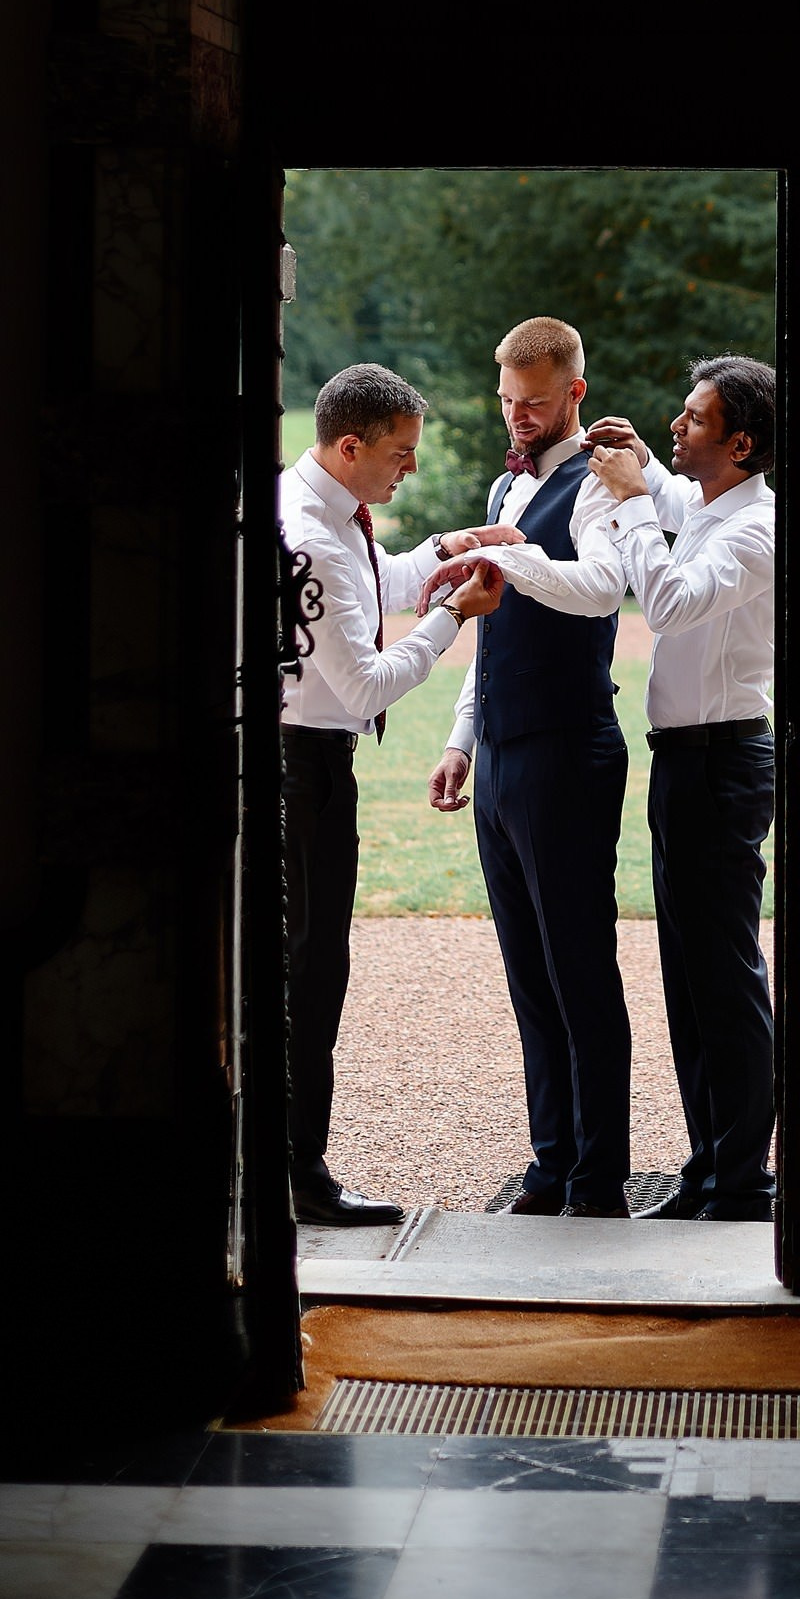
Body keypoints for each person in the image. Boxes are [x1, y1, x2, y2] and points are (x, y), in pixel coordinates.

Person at [493, 357, 779, 1223]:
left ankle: (744, 1184)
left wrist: (627, 497)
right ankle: (708, 1173)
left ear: (741, 443)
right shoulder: (708, 504)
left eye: (692, 421)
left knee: (725, 979)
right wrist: (641, 472)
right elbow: (669, 500)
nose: (673, 429)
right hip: (684, 759)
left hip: (725, 761)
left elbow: (666, 600)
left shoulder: (757, 528)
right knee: (688, 978)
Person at [279, 362, 512, 1227]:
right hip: (302, 769)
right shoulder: (311, 531)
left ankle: (286, 1162)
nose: (407, 469)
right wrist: (455, 617)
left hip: (300, 760)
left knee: (306, 967)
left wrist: (448, 551)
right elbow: (368, 681)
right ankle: (299, 1174)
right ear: (351, 446)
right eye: (400, 455)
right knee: (310, 973)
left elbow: (364, 588)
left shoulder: (319, 511)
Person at [429, 318, 633, 1217]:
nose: (517, 417)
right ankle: (549, 1162)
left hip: (570, 750)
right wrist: (460, 740)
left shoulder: (601, 486)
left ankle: (598, 1179)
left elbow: (598, 590)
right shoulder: (504, 490)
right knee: (527, 976)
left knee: (580, 969)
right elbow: (490, 631)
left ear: (574, 394)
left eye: (535, 403)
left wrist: (510, 552)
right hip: (503, 752)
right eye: (508, 401)